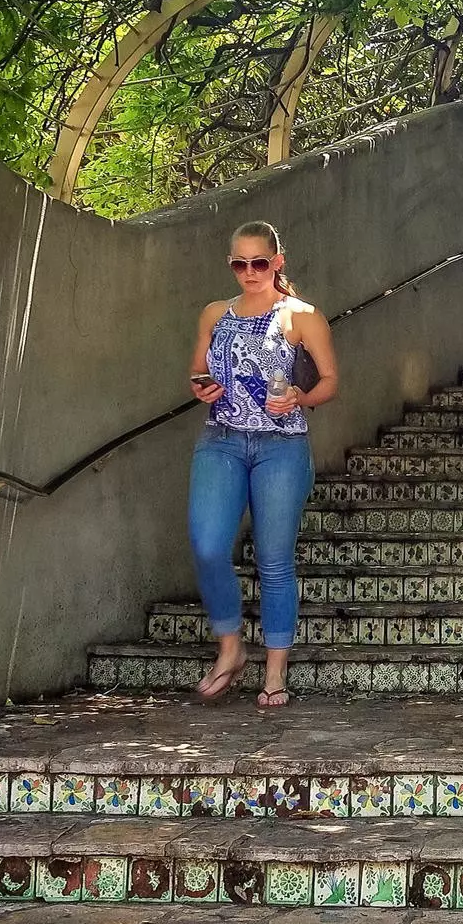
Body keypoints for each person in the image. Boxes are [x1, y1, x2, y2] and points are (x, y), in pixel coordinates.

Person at [187, 221, 338, 707]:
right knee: (208, 545)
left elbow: (331, 381)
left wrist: (301, 396)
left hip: (281, 445)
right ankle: (230, 649)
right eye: (239, 263)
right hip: (221, 439)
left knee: (274, 560)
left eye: (258, 262)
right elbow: (198, 371)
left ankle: (276, 670)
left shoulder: (302, 316)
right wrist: (200, 385)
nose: (248, 272)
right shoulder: (214, 312)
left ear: (277, 262)